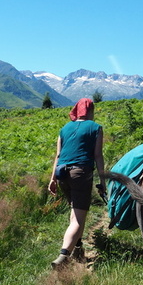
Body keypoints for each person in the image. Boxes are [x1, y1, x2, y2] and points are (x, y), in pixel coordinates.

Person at [48, 98, 106, 268]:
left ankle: (78, 249)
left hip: (62, 172)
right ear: (90, 111)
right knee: (78, 220)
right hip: (80, 173)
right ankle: (63, 256)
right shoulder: (96, 128)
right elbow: (98, 156)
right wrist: (102, 181)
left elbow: (58, 156)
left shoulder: (64, 128)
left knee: (75, 213)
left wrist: (53, 179)